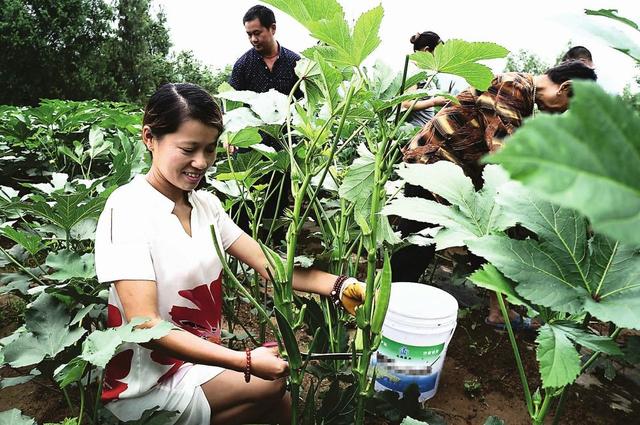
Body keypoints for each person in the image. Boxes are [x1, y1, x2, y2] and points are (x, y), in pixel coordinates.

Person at [94, 83, 366, 425]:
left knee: (279, 402)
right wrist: (244, 361)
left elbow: (271, 265)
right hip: (147, 383)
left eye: (209, 149)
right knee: (272, 383)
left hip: (201, 362)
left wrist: (341, 286)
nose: (201, 162)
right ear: (149, 138)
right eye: (189, 148)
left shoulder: (205, 205)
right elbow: (145, 324)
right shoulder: (128, 207)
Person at [392, 60, 597, 328]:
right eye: (566, 107)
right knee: (420, 244)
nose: (559, 113)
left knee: (487, 240)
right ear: (564, 88)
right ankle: (383, 306)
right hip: (430, 165)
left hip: (451, 171)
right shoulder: (513, 89)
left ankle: (498, 312)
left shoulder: (523, 99)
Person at [228, 5, 300, 240]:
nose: (253, 39)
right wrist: (230, 136)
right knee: (244, 199)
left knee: (277, 198)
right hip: (252, 142)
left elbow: (304, 104)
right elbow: (232, 104)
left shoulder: (295, 63)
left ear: (273, 28)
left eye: (257, 32)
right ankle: (242, 249)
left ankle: (272, 249)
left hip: (282, 142)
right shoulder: (243, 65)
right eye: (249, 34)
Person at [401, 31, 450, 127]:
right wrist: (434, 102)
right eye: (438, 53)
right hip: (414, 131)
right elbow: (406, 103)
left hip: (424, 128)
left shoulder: (424, 71)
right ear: (427, 50)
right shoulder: (413, 71)